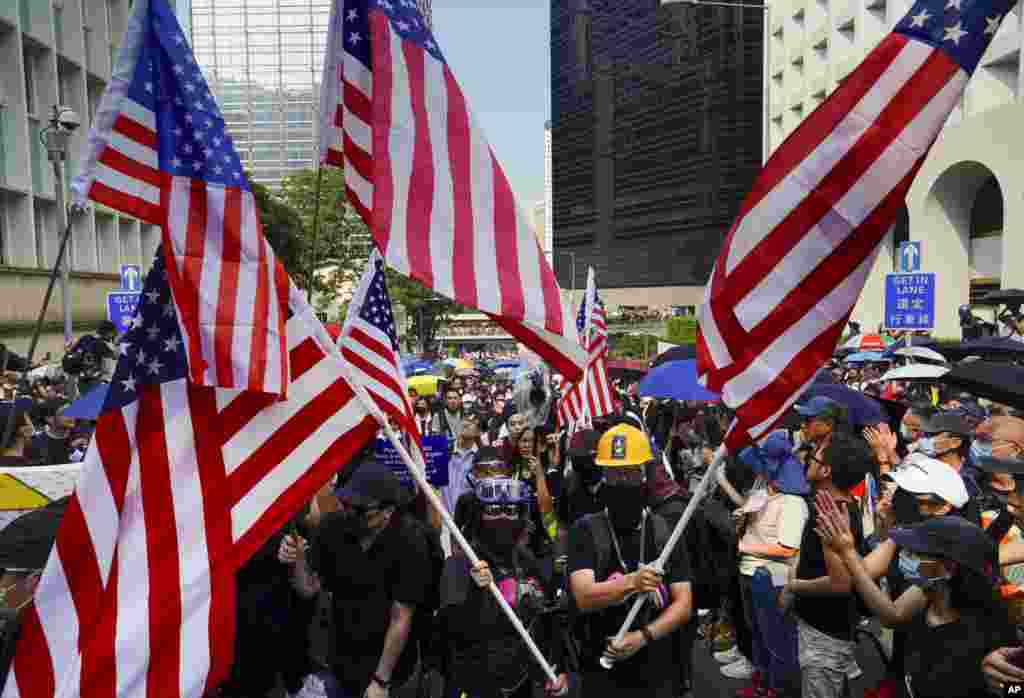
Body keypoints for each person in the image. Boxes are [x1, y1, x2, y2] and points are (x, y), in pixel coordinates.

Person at [815, 500, 1016, 698]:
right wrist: (847, 551)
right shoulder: (929, 592)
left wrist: (1001, 687)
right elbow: (891, 615)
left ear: (949, 568)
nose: (904, 555)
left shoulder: (992, 634)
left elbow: (1016, 690)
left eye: (915, 553)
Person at [278, 456, 433, 698]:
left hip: (390, 668)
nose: (351, 513)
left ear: (388, 511)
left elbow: (400, 617)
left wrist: (380, 681)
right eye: (347, 504)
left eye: (361, 510)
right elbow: (308, 588)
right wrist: (297, 559)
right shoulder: (334, 528)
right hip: (339, 660)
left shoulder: (411, 541)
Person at [568, 424, 693, 698]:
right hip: (600, 663)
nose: (622, 482)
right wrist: (633, 582)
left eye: (630, 473)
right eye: (614, 474)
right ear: (603, 476)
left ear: (645, 476)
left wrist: (642, 637)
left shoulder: (664, 530)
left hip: (656, 666)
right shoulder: (584, 530)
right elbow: (583, 596)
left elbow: (683, 604)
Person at [439, 476, 572, 698]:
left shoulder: (524, 559)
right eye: (493, 509)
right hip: (473, 687)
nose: (503, 517)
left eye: (510, 509)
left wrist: (557, 669)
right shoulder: (460, 564)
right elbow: (449, 632)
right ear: (478, 515)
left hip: (520, 684)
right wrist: (476, 594)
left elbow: (547, 619)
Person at [781, 430, 873, 698]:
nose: (808, 459)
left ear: (826, 471)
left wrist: (793, 586)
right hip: (830, 625)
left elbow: (840, 583)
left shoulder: (829, 513)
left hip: (824, 631)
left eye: (814, 457)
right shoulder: (841, 504)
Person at [721, 433, 809, 698]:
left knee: (777, 641)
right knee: (757, 635)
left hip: (772, 580)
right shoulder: (762, 494)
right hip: (749, 574)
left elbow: (787, 548)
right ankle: (763, 685)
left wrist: (745, 547)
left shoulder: (793, 503)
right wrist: (742, 524)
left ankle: (779, 690)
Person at [443, 411, 481, 516]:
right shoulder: (442, 451)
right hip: (444, 520)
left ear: (479, 432)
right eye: (464, 419)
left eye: (472, 421)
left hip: (468, 521)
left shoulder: (481, 458)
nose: (466, 423)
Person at [26, 400, 75, 466]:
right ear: (50, 419)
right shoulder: (37, 443)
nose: (71, 416)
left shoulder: (79, 437)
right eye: (64, 413)